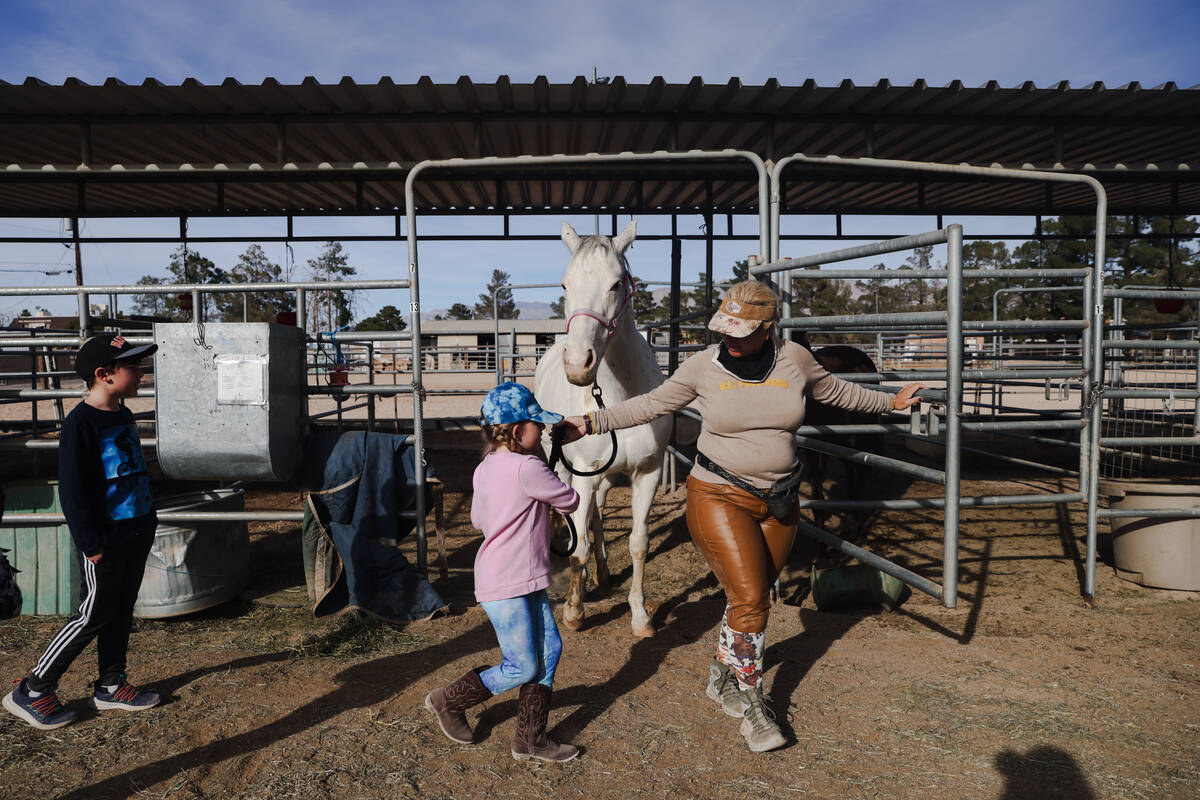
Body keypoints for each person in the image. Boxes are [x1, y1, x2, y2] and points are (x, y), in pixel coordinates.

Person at [556, 280, 924, 753]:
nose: (729, 337)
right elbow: (652, 403)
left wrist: (890, 401)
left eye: (742, 330)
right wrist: (587, 423)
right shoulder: (702, 367)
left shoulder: (795, 360)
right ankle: (753, 703)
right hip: (719, 493)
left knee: (744, 602)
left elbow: (836, 392)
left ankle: (720, 672)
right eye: (724, 327)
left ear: (768, 327)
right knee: (753, 599)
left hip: (781, 501)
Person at [4, 334, 161, 730]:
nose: (141, 373)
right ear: (104, 375)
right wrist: (91, 543)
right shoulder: (80, 424)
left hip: (135, 532)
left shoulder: (123, 415)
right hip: (104, 540)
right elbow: (74, 493)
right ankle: (33, 688)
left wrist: (147, 521)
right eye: (133, 367)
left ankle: (111, 684)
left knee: (120, 609)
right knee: (92, 613)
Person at [424, 382, 582, 763]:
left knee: (550, 650)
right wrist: (544, 458)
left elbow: (479, 519)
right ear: (517, 432)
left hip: (513, 576)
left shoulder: (485, 468)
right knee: (523, 664)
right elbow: (571, 500)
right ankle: (449, 700)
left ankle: (531, 740)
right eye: (536, 425)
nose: (542, 430)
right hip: (509, 581)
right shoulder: (528, 467)